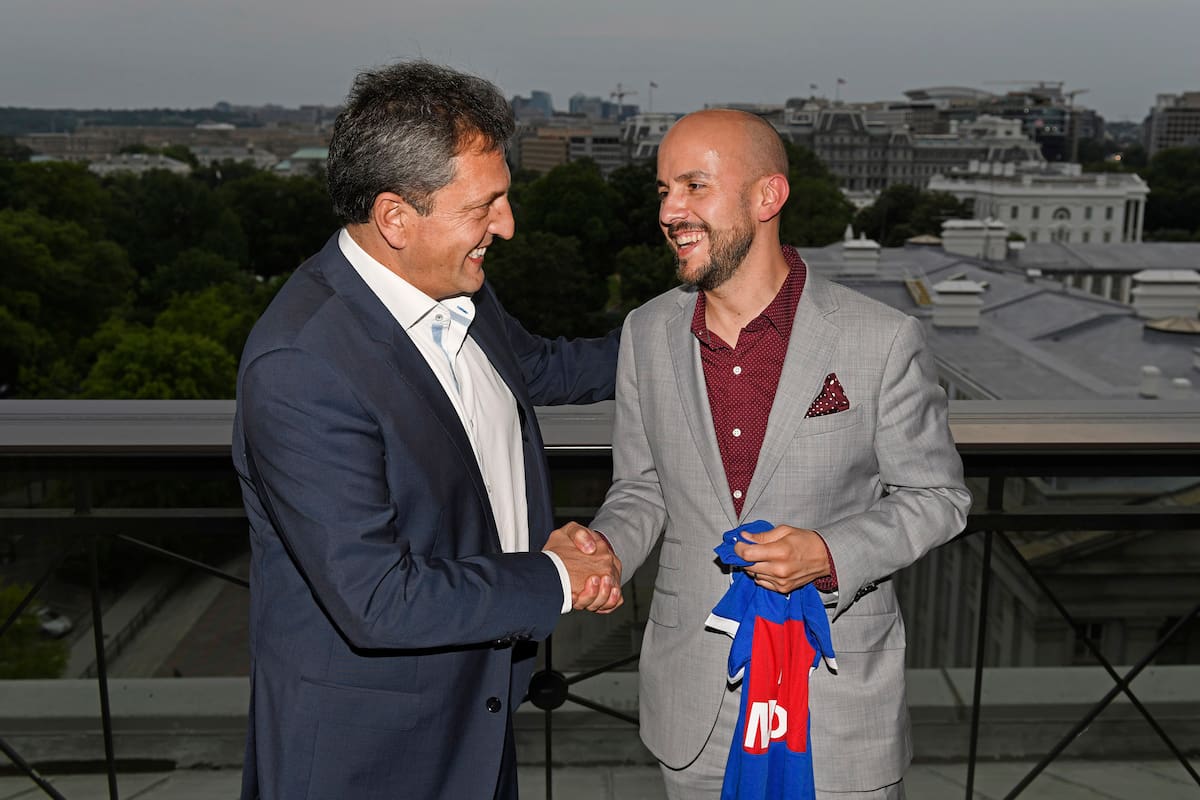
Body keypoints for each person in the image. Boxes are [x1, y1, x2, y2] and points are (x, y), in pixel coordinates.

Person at [231, 60, 623, 800]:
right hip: (371, 756)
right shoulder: (302, 366)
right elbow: (376, 598)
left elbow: (540, 370)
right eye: (486, 206)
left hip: (477, 712)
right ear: (395, 218)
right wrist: (556, 578)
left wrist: (693, 339)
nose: (505, 225)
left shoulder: (453, 281)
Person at [569, 109, 972, 799]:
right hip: (692, 697)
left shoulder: (881, 338)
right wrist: (603, 546)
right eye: (663, 190)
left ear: (767, 197)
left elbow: (938, 498)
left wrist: (830, 552)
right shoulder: (645, 332)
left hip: (834, 701)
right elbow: (643, 487)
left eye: (694, 186)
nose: (670, 210)